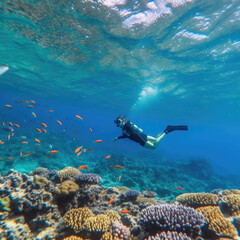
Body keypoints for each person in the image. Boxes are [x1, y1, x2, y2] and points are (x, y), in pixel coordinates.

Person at [113, 115, 188, 149]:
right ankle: (168, 129)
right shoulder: (126, 126)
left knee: (154, 146)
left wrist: (123, 136)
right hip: (142, 135)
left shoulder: (126, 126)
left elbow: (131, 133)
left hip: (140, 139)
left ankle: (167, 130)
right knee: (155, 139)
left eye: (118, 121)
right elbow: (129, 134)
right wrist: (118, 137)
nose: (118, 123)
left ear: (122, 120)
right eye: (117, 122)